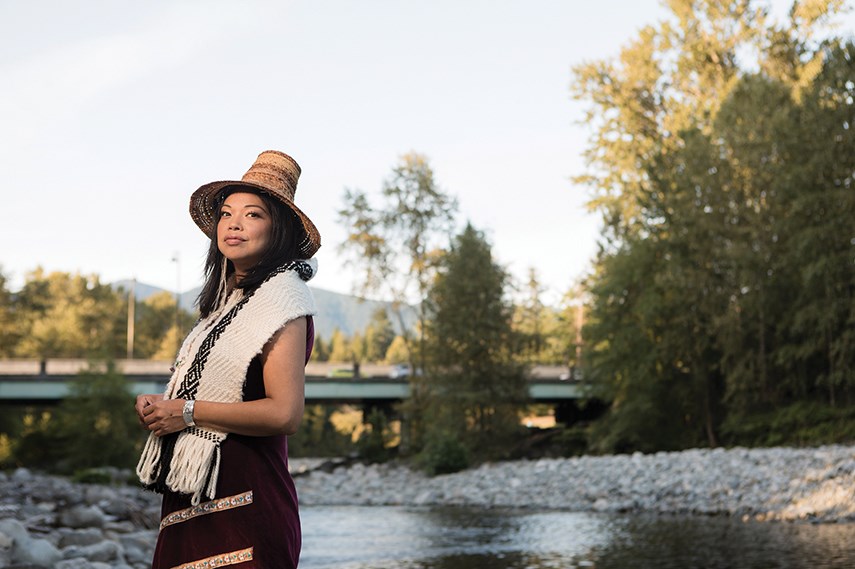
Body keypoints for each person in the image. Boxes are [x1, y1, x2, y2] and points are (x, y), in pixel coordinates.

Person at [135, 150, 321, 569]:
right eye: (225, 213)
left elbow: (285, 414)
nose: (234, 223)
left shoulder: (284, 300)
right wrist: (163, 407)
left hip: (247, 508)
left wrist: (185, 412)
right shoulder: (226, 305)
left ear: (279, 230)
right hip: (192, 500)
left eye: (253, 214)